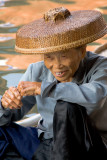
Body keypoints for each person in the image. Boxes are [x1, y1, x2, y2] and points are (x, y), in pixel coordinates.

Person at [0, 7, 107, 160]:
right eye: (49, 58)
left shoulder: (101, 66)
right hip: (45, 144)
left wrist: (44, 88)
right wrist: (6, 104)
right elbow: (13, 113)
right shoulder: (36, 70)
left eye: (64, 56)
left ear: (82, 51)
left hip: (88, 146)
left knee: (67, 107)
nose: (57, 66)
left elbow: (96, 95)